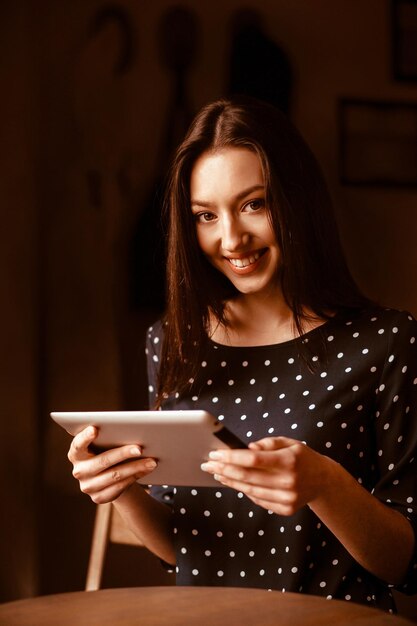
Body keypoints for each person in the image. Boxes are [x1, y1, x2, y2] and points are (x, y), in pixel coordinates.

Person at [68, 97, 417, 613]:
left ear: (297, 199)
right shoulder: (171, 340)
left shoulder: (386, 342)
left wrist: (324, 483)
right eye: (205, 215)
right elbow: (183, 548)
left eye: (254, 203)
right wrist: (117, 487)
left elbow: (406, 564)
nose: (231, 238)